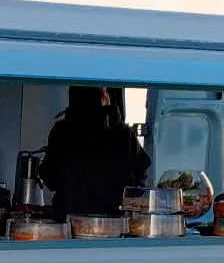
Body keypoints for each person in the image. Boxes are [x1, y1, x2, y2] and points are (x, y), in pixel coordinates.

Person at [42, 86, 149, 218]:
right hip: (114, 222)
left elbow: (50, 179)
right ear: (104, 98)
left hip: (70, 221)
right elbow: (140, 176)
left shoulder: (62, 132)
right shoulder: (124, 134)